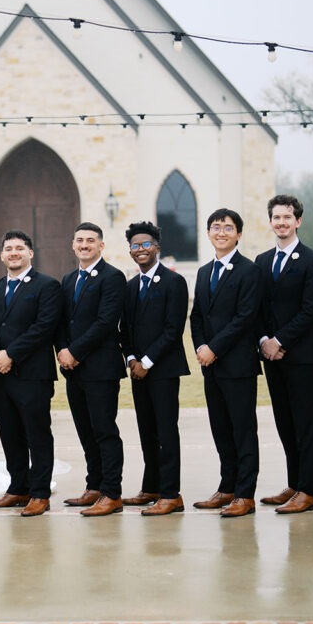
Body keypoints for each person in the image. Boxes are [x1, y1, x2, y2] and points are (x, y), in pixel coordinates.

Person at [255, 195, 313, 514]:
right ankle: (294, 483)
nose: (281, 222)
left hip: (299, 355)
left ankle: (309, 491)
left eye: (287, 217)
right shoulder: (261, 261)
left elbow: (312, 310)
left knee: (304, 423)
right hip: (271, 356)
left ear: (298, 221)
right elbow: (257, 308)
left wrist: (280, 340)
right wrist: (264, 341)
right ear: (270, 222)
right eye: (276, 217)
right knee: (284, 421)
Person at [0, 230, 63, 517]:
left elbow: (44, 327)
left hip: (32, 375)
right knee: (9, 434)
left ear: (30, 253)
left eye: (19, 248)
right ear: (1, 255)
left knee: (37, 434)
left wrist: (11, 355)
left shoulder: (47, 286)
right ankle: (17, 487)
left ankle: (39, 492)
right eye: (8, 248)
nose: (13, 252)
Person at [189, 209, 262, 518]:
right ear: (208, 233)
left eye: (228, 227)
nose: (221, 232)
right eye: (216, 227)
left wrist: (215, 348)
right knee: (221, 429)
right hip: (212, 366)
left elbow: (246, 317)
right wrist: (201, 347)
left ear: (238, 234)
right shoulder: (205, 271)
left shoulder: (249, 271)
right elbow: (197, 317)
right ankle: (227, 487)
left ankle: (245, 495)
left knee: (242, 430)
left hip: (238, 364)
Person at [55, 222, 127, 517]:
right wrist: (62, 351)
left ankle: (112, 493)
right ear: (73, 245)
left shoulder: (113, 277)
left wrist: (75, 351)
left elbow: (106, 322)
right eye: (80, 240)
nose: (84, 245)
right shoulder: (69, 278)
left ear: (101, 246)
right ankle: (94, 486)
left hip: (101, 368)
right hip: (74, 370)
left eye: (90, 240)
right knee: (85, 431)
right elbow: (62, 321)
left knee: (104, 430)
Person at [120, 221, 190, 516]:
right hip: (138, 370)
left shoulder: (174, 282)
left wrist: (147, 361)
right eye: (135, 246)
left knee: (165, 430)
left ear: (157, 248)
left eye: (146, 244)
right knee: (146, 430)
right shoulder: (130, 285)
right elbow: (125, 329)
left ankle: (171, 493)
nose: (141, 250)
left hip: (162, 369)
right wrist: (132, 359)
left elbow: (173, 329)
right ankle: (151, 487)